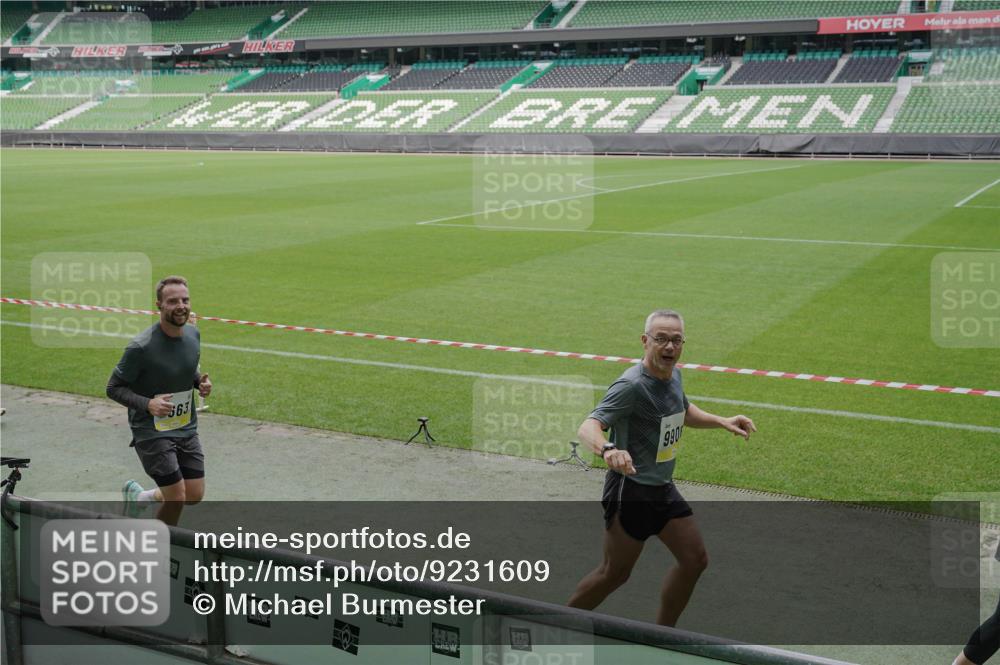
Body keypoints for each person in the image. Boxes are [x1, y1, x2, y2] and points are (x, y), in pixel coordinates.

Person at [567, 309, 756, 627]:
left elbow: (682, 410)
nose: (669, 347)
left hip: (662, 489)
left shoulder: (673, 375)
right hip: (631, 491)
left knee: (695, 560)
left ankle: (662, 634)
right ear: (645, 341)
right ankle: (554, 623)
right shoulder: (631, 385)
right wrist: (609, 449)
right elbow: (588, 427)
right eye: (661, 339)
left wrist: (721, 421)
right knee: (614, 574)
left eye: (676, 340)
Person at [106, 276, 211, 526]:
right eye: (173, 301)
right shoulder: (140, 347)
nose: (181, 306)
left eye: (185, 300)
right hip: (151, 431)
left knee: (194, 494)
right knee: (176, 498)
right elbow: (113, 388)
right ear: (159, 305)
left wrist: (200, 383)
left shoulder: (193, 335)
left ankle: (141, 497)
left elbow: (186, 369)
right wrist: (148, 404)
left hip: (185, 426)